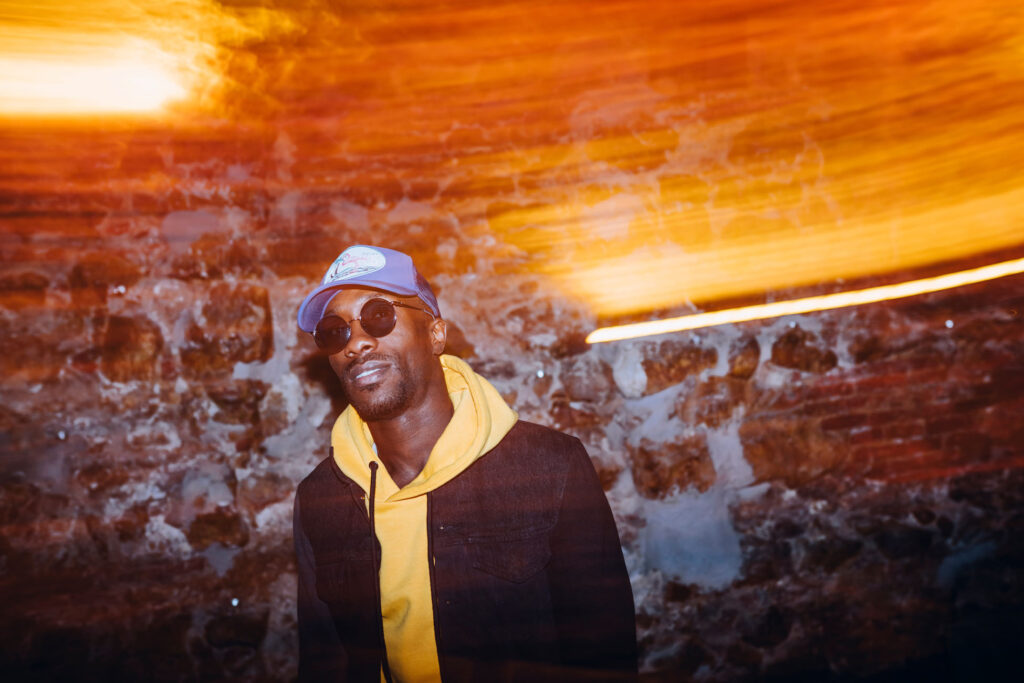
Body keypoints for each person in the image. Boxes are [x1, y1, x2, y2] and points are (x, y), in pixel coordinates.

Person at [292, 245, 637, 682]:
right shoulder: (321, 498)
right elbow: (324, 662)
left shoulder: (549, 467)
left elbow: (604, 653)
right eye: (334, 332)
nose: (356, 343)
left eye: (379, 315)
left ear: (436, 334)